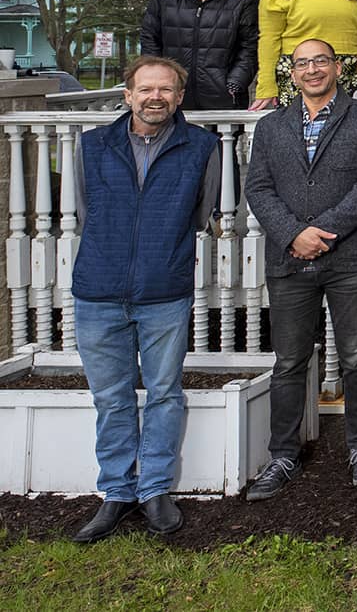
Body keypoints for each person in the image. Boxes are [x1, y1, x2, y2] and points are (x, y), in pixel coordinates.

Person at [69, 56, 221, 543]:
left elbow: (201, 214)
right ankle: (116, 492)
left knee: (163, 394)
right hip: (98, 291)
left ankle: (155, 490)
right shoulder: (92, 146)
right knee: (111, 399)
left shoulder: (202, 146)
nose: (155, 97)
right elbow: (88, 209)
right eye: (145, 89)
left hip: (164, 292)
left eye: (166, 90)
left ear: (179, 96)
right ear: (128, 95)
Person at [243, 38, 357, 500]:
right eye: (303, 64)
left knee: (356, 356)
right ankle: (283, 453)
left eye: (320, 62)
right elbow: (259, 188)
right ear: (292, 73)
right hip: (289, 259)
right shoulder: (271, 127)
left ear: (337, 68)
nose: (312, 70)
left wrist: (322, 231)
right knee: (289, 361)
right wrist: (294, 234)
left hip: (348, 257)